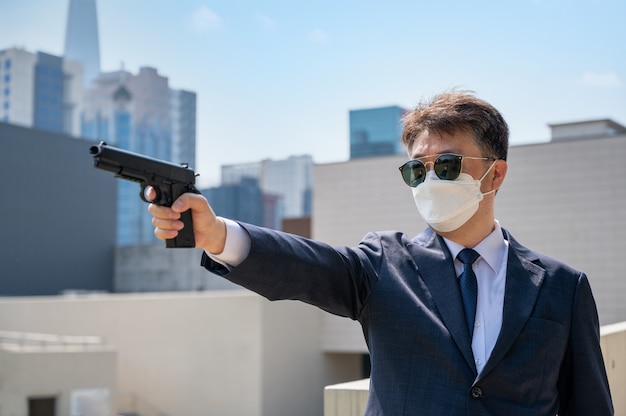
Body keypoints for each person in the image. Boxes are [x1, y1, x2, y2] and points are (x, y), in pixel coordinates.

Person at [147, 91, 613, 415]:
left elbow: (588, 406)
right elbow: (309, 266)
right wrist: (216, 234)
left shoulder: (561, 287)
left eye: (447, 165)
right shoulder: (384, 264)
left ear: (495, 175)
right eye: (417, 170)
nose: (430, 181)